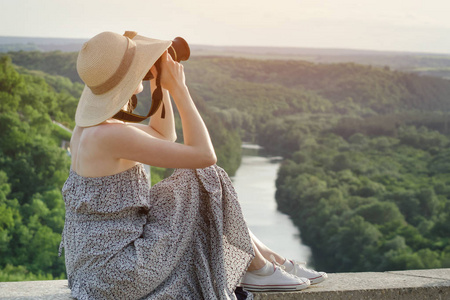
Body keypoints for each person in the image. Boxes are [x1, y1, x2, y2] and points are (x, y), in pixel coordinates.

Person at [58, 31, 327, 300]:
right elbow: (204, 156)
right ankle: (258, 268)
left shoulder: (89, 130)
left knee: (187, 191)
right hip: (116, 274)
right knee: (203, 175)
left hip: (92, 271)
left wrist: (158, 84)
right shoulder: (112, 136)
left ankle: (268, 261)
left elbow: (164, 136)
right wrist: (179, 89)